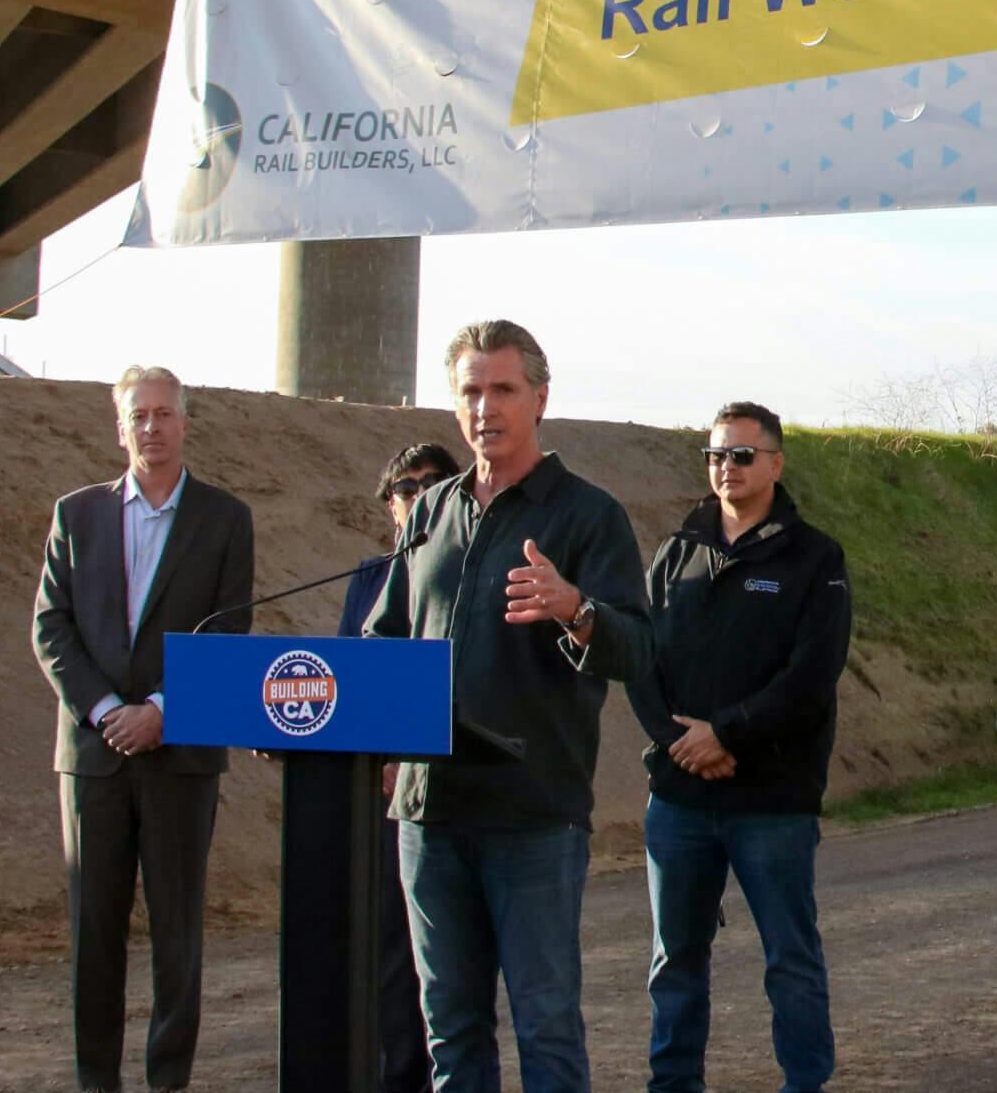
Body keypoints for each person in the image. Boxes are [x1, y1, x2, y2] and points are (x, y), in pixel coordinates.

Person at [365, 321, 647, 1093]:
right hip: (430, 813)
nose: (484, 407)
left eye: (502, 390)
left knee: (545, 1027)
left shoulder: (588, 516)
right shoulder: (429, 512)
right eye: (470, 391)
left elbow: (639, 649)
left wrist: (575, 608)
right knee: (450, 1032)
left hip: (531, 815)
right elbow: (385, 635)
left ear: (540, 398)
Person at [568, 401, 850, 1093]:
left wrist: (728, 734)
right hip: (682, 800)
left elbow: (812, 674)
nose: (726, 468)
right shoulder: (676, 552)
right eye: (716, 455)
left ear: (776, 464)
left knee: (790, 957)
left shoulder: (815, 558)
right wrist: (678, 741)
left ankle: (805, 1083)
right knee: (675, 963)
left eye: (741, 455)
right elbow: (638, 658)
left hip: (773, 799)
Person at [32, 365, 256, 1093]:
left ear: (186, 422)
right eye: (139, 416)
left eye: (165, 414)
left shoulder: (224, 520)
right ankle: (97, 1079)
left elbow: (229, 631)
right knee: (95, 933)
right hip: (93, 758)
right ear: (119, 426)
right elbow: (51, 627)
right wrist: (105, 712)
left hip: (180, 755)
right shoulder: (77, 515)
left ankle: (169, 1081)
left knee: (177, 935)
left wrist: (163, 709)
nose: (152, 427)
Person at [337, 442, 461, 1093]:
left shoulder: (475, 573)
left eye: (431, 484)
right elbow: (348, 683)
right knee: (390, 956)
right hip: (384, 798)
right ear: (390, 506)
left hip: (460, 794)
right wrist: (381, 759)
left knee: (447, 965)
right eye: (404, 488)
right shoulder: (366, 580)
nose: (417, 496)